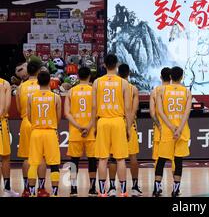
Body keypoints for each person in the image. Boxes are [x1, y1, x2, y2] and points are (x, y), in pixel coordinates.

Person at [92, 54, 132, 197]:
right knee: (120, 159)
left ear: (104, 65)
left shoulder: (97, 82)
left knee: (103, 159)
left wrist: (95, 126)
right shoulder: (124, 83)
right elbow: (128, 108)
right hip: (118, 121)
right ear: (116, 65)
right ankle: (123, 191)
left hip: (102, 121)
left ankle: (102, 192)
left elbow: (94, 107)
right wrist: (128, 127)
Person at [153, 66, 192, 197]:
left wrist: (170, 127)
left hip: (166, 131)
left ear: (170, 77)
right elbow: (186, 114)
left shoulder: (162, 91)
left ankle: (156, 189)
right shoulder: (187, 92)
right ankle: (175, 190)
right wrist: (179, 129)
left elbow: (160, 111)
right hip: (181, 132)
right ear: (182, 77)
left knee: (161, 160)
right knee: (179, 161)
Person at [108, 64, 142, 197]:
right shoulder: (133, 89)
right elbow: (133, 111)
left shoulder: (113, 86)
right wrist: (128, 127)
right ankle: (134, 187)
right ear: (129, 74)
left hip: (114, 122)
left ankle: (111, 187)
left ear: (117, 73)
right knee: (132, 156)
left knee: (113, 158)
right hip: (129, 124)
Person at [26, 71, 62, 197]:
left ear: (37, 82)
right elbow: (58, 118)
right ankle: (55, 193)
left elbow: (29, 117)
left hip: (36, 132)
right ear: (50, 82)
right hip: (50, 132)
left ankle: (31, 193)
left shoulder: (31, 97)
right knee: (54, 164)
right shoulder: (55, 97)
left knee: (34, 163)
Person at [64, 66, 97, 197]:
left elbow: (67, 113)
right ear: (90, 76)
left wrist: (78, 127)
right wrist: (88, 127)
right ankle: (92, 189)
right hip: (91, 130)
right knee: (92, 161)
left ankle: (73, 190)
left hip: (75, 131)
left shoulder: (71, 92)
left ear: (78, 76)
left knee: (74, 161)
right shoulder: (93, 91)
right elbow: (96, 110)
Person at [16, 60, 47, 197]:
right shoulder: (43, 86)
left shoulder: (21, 87)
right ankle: (41, 189)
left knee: (27, 158)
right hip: (40, 124)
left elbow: (18, 108)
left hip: (26, 122)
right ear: (39, 71)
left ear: (28, 71)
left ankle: (27, 189)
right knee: (41, 158)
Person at [149, 67, 173, 190]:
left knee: (159, 160)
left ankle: (157, 187)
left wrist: (158, 125)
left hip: (160, 130)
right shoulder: (175, 91)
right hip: (174, 129)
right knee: (175, 159)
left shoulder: (155, 91)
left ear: (160, 77)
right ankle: (176, 187)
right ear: (171, 77)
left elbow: (152, 113)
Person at [0, 76, 19, 196]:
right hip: (1, 122)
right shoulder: (4, 84)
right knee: (5, 156)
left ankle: (7, 189)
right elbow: (6, 107)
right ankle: (7, 189)